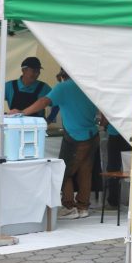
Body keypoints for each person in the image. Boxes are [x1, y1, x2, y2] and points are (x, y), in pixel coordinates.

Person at [14, 69, 99, 219]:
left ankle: (69, 207)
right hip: (92, 134)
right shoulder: (88, 85)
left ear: (63, 75)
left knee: (63, 172)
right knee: (85, 172)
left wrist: (22, 112)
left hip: (75, 136)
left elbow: (44, 102)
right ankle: (83, 207)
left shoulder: (64, 87)